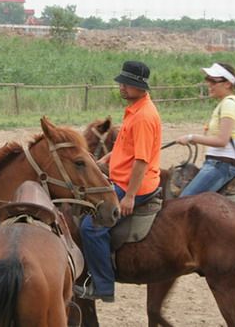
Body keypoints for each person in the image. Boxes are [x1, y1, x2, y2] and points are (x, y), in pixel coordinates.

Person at [75, 60, 162, 302]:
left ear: (141, 87)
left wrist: (131, 195)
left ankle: (102, 285)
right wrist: (101, 162)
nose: (122, 87)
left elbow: (141, 161)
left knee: (90, 227)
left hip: (134, 184)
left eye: (127, 84)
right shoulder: (134, 109)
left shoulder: (144, 116)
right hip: (120, 178)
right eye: (122, 82)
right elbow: (124, 148)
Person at [175, 62, 235, 196]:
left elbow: (222, 140)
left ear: (227, 84)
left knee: (183, 202)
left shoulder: (228, 105)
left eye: (213, 81)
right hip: (219, 163)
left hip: (220, 165)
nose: (208, 84)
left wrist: (191, 137)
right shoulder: (228, 103)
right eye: (207, 80)